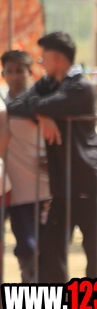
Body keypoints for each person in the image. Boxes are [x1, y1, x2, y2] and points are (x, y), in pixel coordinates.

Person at [6, 32, 97, 284]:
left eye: (45, 57)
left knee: (93, 251)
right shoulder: (48, 84)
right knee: (52, 250)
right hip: (62, 186)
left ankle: (93, 303)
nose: (41, 62)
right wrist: (43, 115)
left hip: (88, 182)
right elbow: (16, 105)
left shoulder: (80, 87)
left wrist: (41, 111)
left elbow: (40, 105)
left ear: (57, 59)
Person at [0, 50, 51, 282]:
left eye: (19, 71)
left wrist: (51, 157)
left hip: (43, 189)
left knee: (45, 248)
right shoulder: (2, 104)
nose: (15, 76)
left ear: (30, 72)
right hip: (15, 191)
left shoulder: (43, 103)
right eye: (10, 71)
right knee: (26, 247)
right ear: (3, 74)